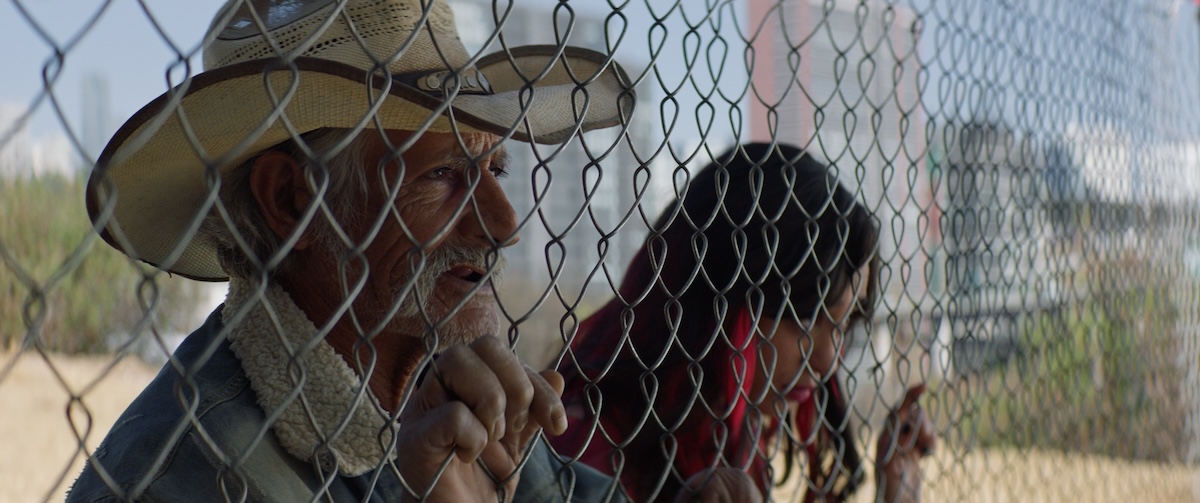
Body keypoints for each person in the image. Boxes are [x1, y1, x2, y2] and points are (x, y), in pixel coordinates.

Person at [64, 0, 661, 501]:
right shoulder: (181, 476)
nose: (505, 224)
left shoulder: (450, 395)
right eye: (444, 174)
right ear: (294, 198)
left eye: (495, 168)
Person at [552, 143, 937, 502]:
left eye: (844, 324)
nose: (827, 361)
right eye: (804, 319)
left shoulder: (730, 428)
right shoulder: (580, 440)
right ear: (718, 298)